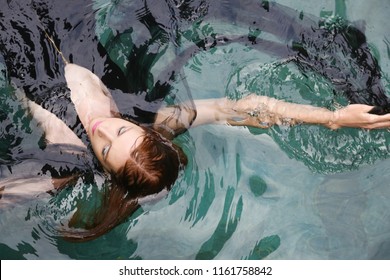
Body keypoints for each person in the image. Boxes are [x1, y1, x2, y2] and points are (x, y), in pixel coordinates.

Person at [1, 0, 390, 241]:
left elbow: (9, 191)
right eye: (122, 131)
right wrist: (334, 117)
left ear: (101, 166)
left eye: (105, 148)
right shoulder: (156, 118)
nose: (103, 130)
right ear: (141, 129)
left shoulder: (67, 156)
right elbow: (241, 108)